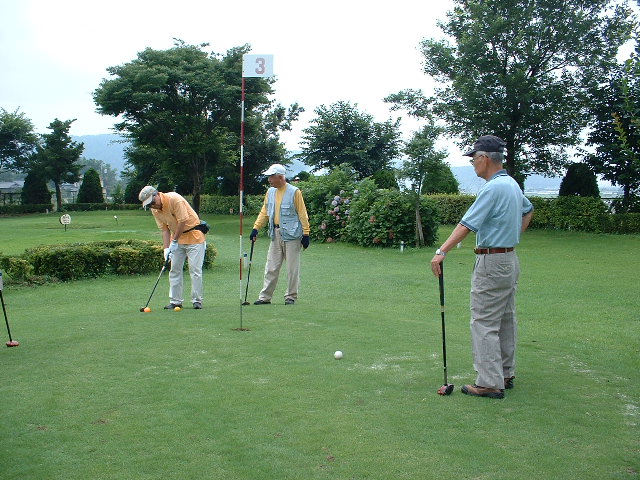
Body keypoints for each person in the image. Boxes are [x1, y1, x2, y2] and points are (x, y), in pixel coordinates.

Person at [430, 135, 534, 399]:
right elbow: (528, 211)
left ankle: (489, 382)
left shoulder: (492, 188)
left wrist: (442, 251)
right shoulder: (511, 184)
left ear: (485, 158)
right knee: (505, 318)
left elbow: (466, 225)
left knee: (484, 321)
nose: (474, 164)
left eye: (474, 158)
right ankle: (505, 373)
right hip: (509, 259)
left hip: (492, 261)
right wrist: (513, 237)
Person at [250, 164, 310, 305]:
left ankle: (291, 296)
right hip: (275, 234)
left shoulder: (295, 192)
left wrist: (306, 233)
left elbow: (302, 214)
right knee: (271, 267)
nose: (269, 179)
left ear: (281, 177)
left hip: (292, 235)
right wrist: (256, 228)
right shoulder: (270, 192)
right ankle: (265, 297)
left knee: (292, 268)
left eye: (272, 176)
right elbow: (264, 212)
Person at [139, 186, 207, 310]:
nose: (152, 206)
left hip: (194, 237)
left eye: (152, 202)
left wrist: (174, 241)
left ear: (156, 195)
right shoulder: (155, 210)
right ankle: (175, 301)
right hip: (176, 239)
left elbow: (182, 221)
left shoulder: (174, 199)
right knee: (174, 270)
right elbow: (164, 230)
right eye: (149, 205)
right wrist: (166, 249)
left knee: (195, 271)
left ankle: (197, 301)